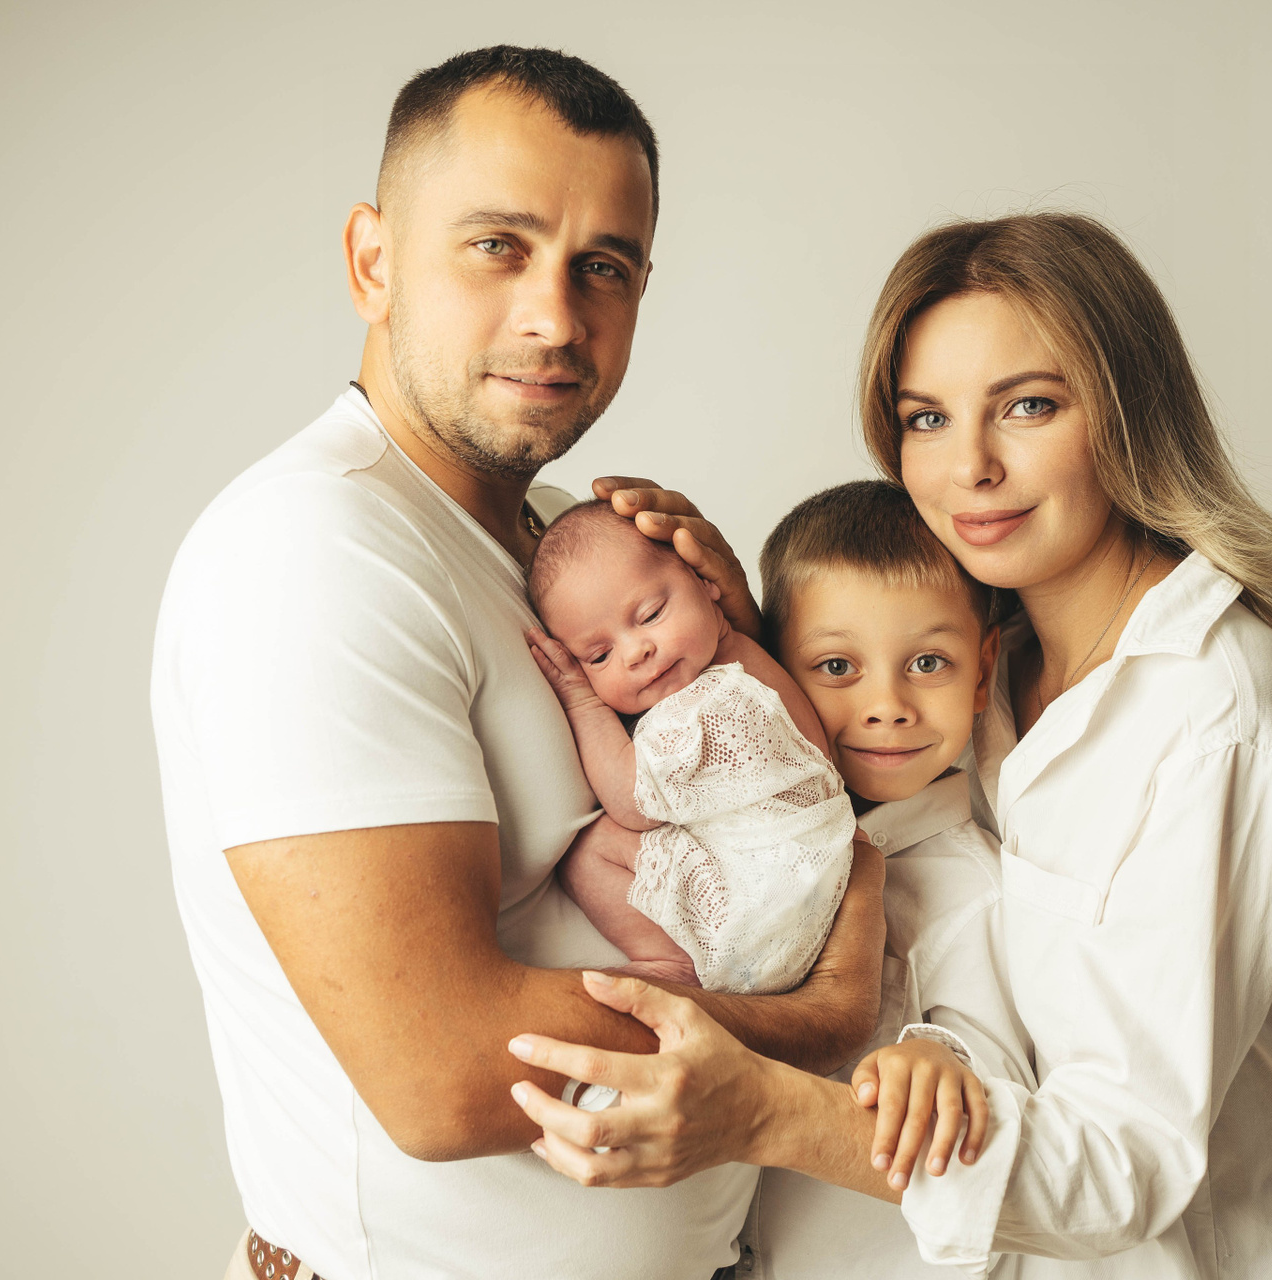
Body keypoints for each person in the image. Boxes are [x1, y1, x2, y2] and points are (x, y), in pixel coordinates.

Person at [506, 212, 1272, 1280]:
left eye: (1029, 405)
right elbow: (810, 834)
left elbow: (1122, 1166)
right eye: (927, 418)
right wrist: (736, 643)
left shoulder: (1217, 721)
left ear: (1129, 411)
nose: (970, 465)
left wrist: (768, 1112)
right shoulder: (974, 674)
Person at [151, 47, 883, 1280]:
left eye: (605, 266)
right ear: (373, 260)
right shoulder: (314, 546)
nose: (556, 317)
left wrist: (746, 642)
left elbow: (739, 825)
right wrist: (818, 1017)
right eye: (499, 245)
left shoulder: (561, 546)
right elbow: (442, 1068)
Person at [747, 480, 1034, 1279]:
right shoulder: (767, 850)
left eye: (928, 664)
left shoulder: (970, 888)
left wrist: (939, 1059)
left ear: (982, 672)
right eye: (838, 666)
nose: (888, 705)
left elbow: (998, 1074)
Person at [524, 501, 854, 993]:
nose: (636, 652)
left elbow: (630, 800)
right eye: (600, 655)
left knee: (587, 852)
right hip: (820, 892)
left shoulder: (709, 705)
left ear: (706, 583)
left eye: (651, 614)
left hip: (757, 916)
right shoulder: (750, 664)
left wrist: (581, 699)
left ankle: (668, 960)